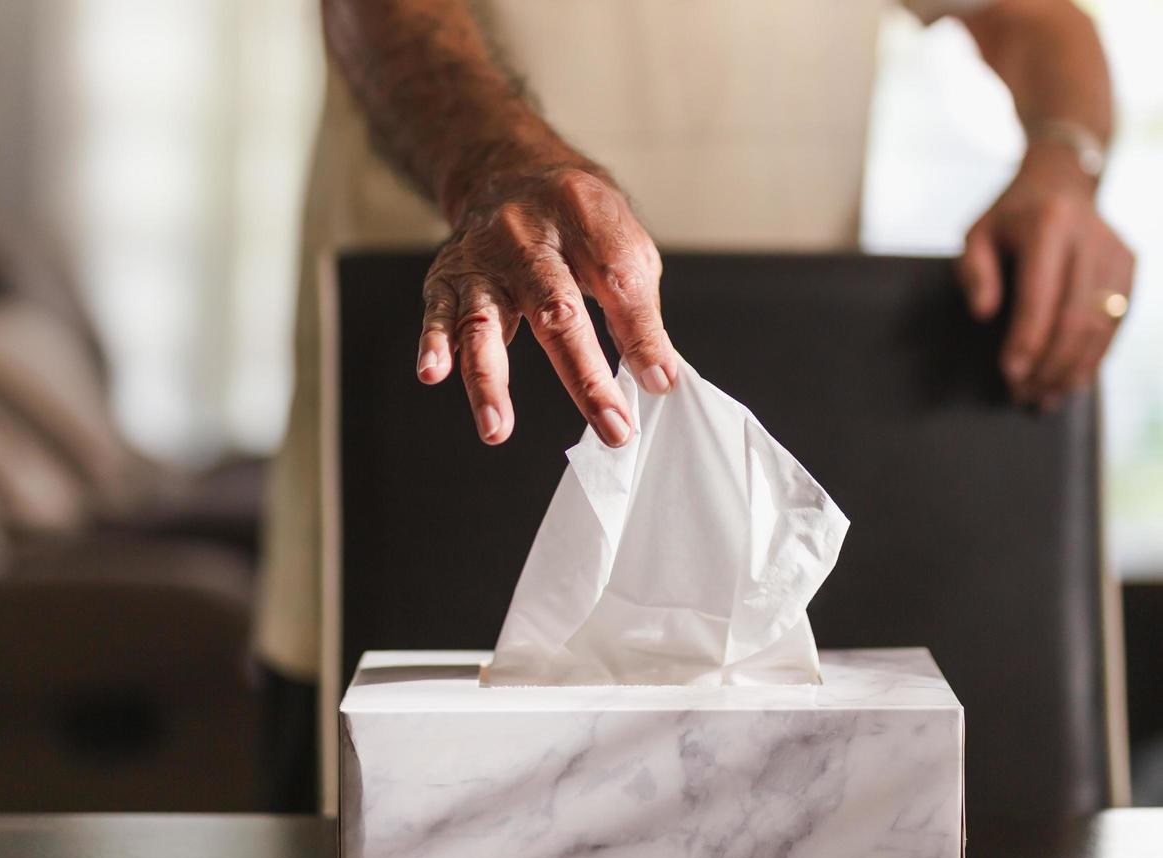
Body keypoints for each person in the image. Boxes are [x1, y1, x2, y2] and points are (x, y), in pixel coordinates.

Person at [255, 0, 1135, 809]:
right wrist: (495, 164)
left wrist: (1065, 160)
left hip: (779, 438)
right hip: (449, 414)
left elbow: (1025, 16)